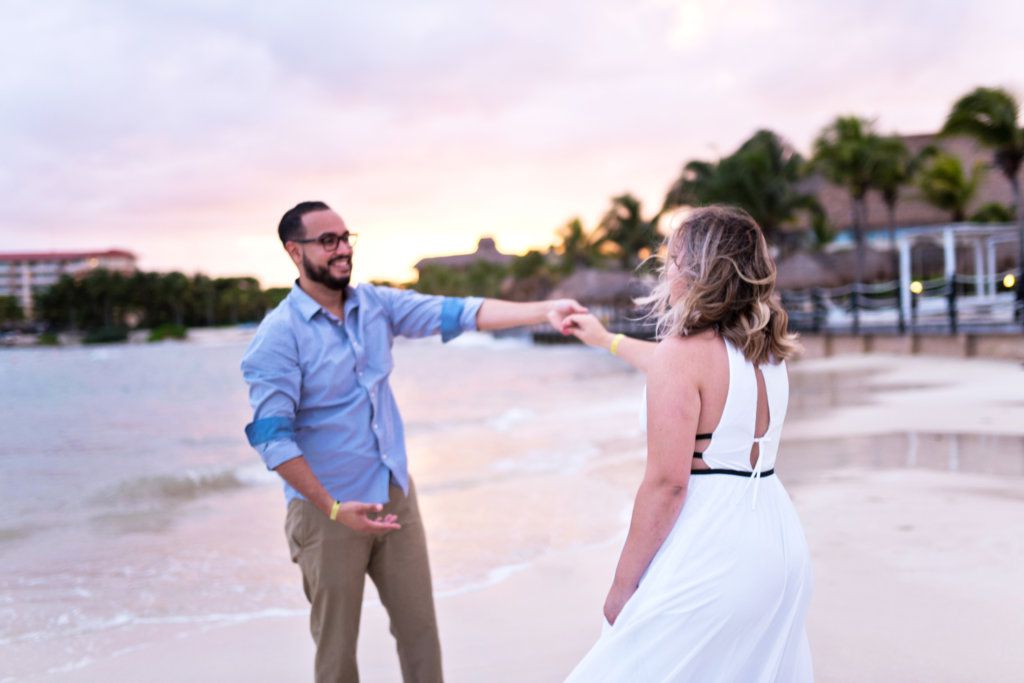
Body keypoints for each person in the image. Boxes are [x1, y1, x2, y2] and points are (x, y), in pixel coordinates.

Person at [240, 201, 585, 683]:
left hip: (395, 495)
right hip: (327, 511)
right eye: (328, 241)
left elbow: (460, 312)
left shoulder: (376, 306)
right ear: (294, 251)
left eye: (346, 238)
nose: (342, 250)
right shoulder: (278, 336)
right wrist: (335, 508)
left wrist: (546, 309)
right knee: (337, 653)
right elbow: (274, 440)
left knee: (420, 634)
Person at [561, 205, 813, 682]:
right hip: (778, 543)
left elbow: (667, 485)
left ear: (701, 269)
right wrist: (605, 340)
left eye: (673, 259)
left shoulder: (685, 355)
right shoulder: (766, 352)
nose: (666, 270)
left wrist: (622, 586)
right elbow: (672, 368)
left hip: (713, 545)